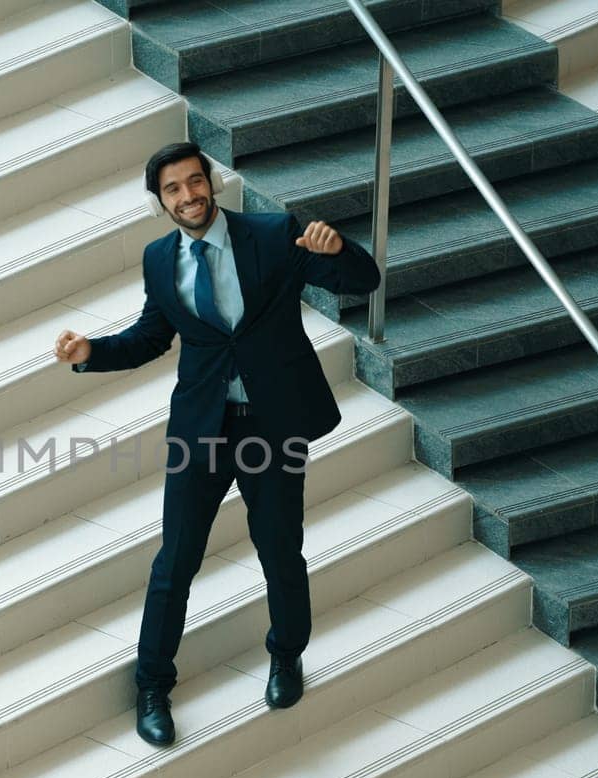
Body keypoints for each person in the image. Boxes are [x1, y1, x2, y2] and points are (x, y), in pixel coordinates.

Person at [54, 141, 381, 747]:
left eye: (194, 182)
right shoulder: (159, 259)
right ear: (160, 201)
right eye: (173, 189)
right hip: (201, 429)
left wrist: (340, 251)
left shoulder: (272, 234)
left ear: (213, 182)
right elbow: (153, 336)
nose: (187, 196)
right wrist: (92, 353)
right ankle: (152, 685)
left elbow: (364, 280)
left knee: (280, 549)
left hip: (272, 424)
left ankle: (287, 654)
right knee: (174, 559)